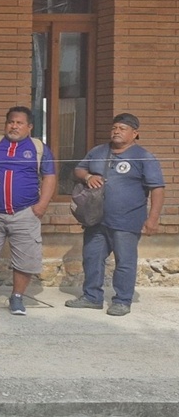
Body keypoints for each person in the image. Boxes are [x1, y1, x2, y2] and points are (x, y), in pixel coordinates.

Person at [65, 113, 165, 316]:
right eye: (115, 128)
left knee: (125, 261)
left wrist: (153, 218)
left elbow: (157, 188)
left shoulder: (144, 156)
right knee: (92, 257)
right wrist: (88, 176)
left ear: (135, 133)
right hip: (96, 219)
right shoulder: (98, 151)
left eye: (123, 128)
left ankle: (122, 300)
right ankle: (92, 297)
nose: (117, 131)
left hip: (127, 220)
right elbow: (78, 169)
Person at [0, 106, 57, 316]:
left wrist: (41, 206)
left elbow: (50, 176)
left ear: (29, 127)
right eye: (11, 122)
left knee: (25, 259)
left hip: (25, 213)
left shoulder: (38, 148)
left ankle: (17, 298)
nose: (14, 126)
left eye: (19, 123)